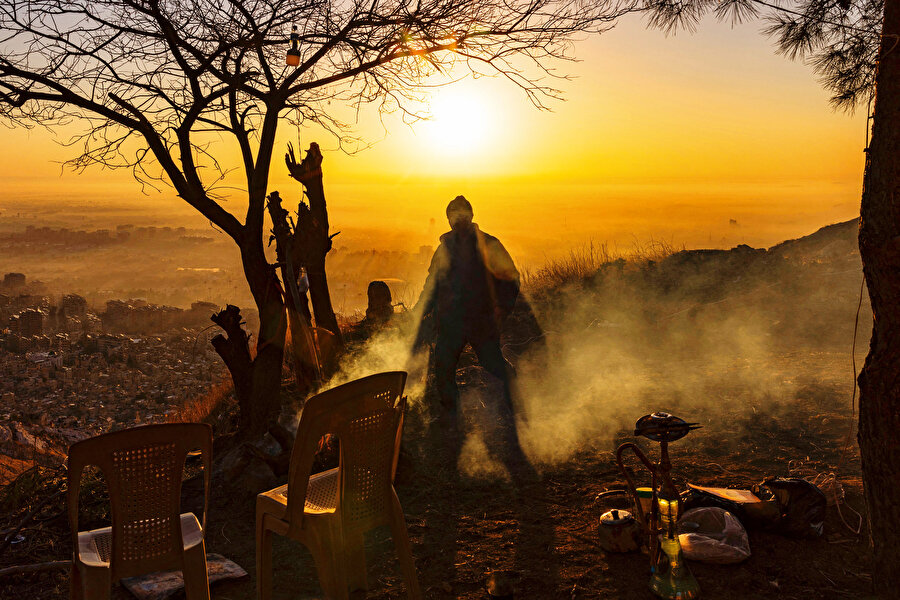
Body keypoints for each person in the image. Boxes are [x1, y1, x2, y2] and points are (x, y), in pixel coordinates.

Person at [414, 195, 534, 482]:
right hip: (451, 324)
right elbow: (432, 284)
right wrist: (419, 312)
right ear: (449, 220)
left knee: (495, 366)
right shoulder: (444, 248)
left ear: (470, 216)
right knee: (444, 368)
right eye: (453, 216)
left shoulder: (488, 244)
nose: (458, 220)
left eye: (462, 214)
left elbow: (511, 278)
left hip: (481, 322)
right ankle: (452, 420)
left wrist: (500, 310)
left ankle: (515, 407)